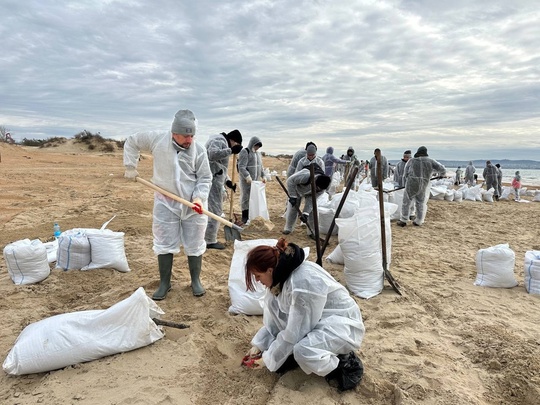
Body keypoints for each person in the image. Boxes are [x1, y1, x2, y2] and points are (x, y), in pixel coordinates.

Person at [242, 238, 365, 391]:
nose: (257, 280)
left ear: (269, 270)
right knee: (282, 358)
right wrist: (260, 346)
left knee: (303, 351)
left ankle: (344, 363)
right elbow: (275, 321)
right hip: (317, 320)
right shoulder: (279, 281)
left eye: (257, 276)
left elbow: (296, 331)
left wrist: (267, 359)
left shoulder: (303, 283)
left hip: (340, 324)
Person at [123, 109, 212, 300]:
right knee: (164, 242)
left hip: (193, 204)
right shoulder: (157, 140)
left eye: (192, 135)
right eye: (186, 136)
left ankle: (195, 280)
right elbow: (132, 141)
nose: (190, 140)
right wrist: (130, 166)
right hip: (165, 201)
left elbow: (205, 178)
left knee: (195, 241)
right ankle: (165, 283)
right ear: (174, 133)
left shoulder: (200, 150)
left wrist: (198, 197)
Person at [204, 129, 243, 250]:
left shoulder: (222, 142)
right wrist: (231, 150)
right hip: (212, 181)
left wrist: (228, 181)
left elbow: (220, 166)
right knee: (215, 211)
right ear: (233, 141)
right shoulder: (219, 140)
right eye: (236, 145)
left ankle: (205, 237)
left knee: (211, 209)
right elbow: (212, 154)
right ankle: (210, 240)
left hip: (215, 179)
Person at [397, 146, 446, 227]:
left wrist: (406, 179)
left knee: (406, 202)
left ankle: (404, 220)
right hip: (423, 184)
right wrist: (442, 175)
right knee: (420, 203)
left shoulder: (412, 160)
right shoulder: (430, 161)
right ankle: (418, 221)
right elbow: (442, 169)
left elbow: (405, 173)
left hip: (411, 184)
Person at [282, 166, 331, 239]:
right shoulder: (305, 176)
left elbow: (311, 201)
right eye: (317, 187)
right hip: (297, 190)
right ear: (315, 181)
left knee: (312, 211)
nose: (318, 189)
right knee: (293, 208)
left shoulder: (322, 189)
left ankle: (312, 232)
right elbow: (290, 181)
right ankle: (288, 228)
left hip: (310, 194)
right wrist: (293, 196)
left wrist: (305, 213)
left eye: (319, 189)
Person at [238, 136, 263, 224]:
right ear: (252, 144)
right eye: (256, 146)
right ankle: (245, 216)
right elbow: (241, 166)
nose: (257, 148)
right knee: (246, 197)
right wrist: (247, 176)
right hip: (246, 181)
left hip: (256, 181)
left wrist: (263, 176)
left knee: (253, 197)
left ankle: (252, 215)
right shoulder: (245, 152)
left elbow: (260, 166)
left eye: (259, 147)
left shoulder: (258, 154)